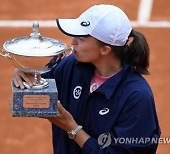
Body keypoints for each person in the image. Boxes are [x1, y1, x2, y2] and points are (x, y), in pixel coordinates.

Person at [12, 4, 161, 154]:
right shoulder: (71, 65)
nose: (72, 42)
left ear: (105, 49)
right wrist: (25, 74)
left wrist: (72, 128)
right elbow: (38, 88)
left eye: (81, 39)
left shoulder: (137, 97)